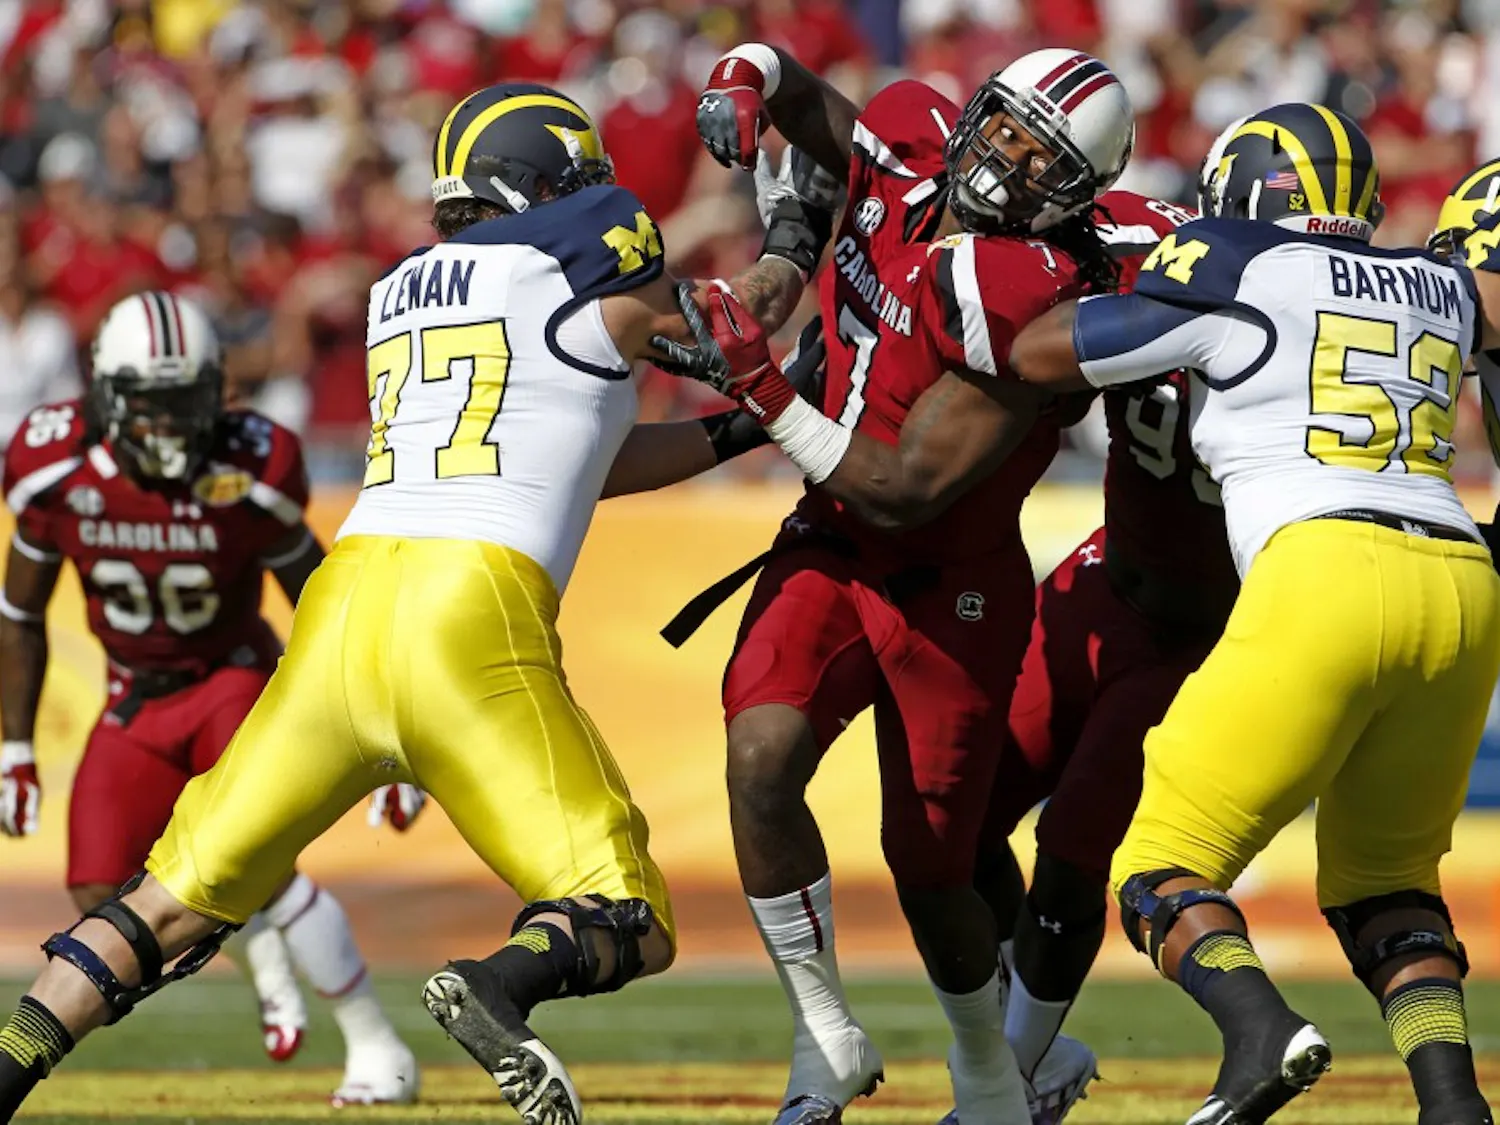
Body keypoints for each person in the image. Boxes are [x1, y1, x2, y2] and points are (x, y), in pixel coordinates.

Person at [0, 82, 821, 1125]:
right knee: (628, 913)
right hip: (469, 607)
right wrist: (793, 236)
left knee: (162, 906)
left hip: (344, 608)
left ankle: (9, 1065)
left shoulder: (402, 289)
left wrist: (738, 435)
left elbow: (577, 455)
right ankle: (495, 989)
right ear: (542, 185)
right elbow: (728, 328)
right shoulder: (573, 258)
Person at [1006, 104, 1500, 1125]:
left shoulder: (1230, 259)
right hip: (1462, 575)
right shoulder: (1439, 281)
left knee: (1157, 860)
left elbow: (1042, 354)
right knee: (1389, 889)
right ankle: (1455, 1109)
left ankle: (1257, 1032)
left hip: (1324, 563)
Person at [670, 46, 1133, 1125]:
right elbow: (797, 91)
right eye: (1007, 127)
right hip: (831, 539)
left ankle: (989, 1073)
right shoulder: (909, 134)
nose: (1007, 160)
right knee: (758, 755)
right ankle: (822, 1036)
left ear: (1071, 192)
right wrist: (741, 75)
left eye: (1039, 157)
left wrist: (761, 382)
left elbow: (901, 489)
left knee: (931, 863)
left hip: (947, 577)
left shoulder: (1031, 296)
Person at [0, 290, 417, 1105]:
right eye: (147, 407)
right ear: (108, 398)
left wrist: (387, 727)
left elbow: (327, 602)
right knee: (96, 888)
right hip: (133, 697)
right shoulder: (53, 468)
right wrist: (13, 744)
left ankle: (377, 1045)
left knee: (264, 872)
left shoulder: (249, 470)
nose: (166, 426)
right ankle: (258, 943)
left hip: (234, 682)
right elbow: (19, 611)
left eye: (183, 404)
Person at [968, 186, 1240, 1123]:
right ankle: (1033, 1061)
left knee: (1075, 846)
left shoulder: (1303, 319)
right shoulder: (1146, 246)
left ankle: (1006, 1084)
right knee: (947, 800)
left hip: (1204, 630)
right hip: (1110, 573)